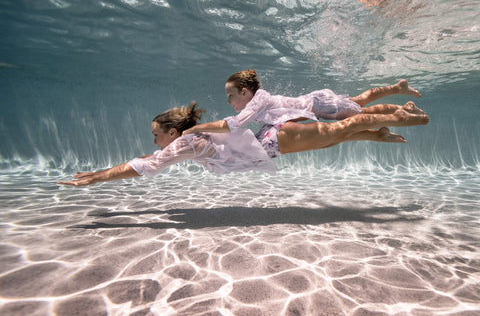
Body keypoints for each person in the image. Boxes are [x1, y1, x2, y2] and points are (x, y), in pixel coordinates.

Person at [58, 100, 429, 187]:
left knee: (336, 131)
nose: (154, 140)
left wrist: (98, 179)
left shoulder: (183, 143)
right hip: (272, 140)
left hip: (273, 139)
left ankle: (399, 115)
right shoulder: (184, 142)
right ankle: (377, 132)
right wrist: (103, 170)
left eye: (157, 133)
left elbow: (147, 165)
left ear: (172, 133)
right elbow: (151, 157)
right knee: (334, 139)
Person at [182, 70, 424, 143]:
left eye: (230, 96)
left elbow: (235, 123)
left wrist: (196, 129)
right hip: (319, 102)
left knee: (364, 111)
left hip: (322, 106)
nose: (229, 102)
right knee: (360, 102)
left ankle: (399, 113)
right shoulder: (258, 102)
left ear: (245, 92)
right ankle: (397, 87)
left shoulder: (258, 99)